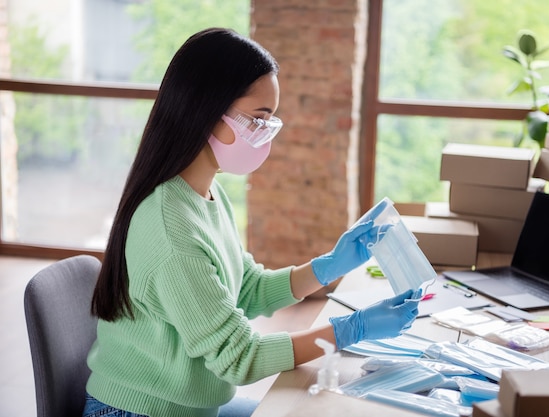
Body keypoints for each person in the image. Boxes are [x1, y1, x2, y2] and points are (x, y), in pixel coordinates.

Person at [84, 27, 420, 417]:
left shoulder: (207, 195)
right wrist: (351, 329)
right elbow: (239, 358)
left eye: (270, 121)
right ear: (208, 111)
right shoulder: (169, 226)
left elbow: (247, 289)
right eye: (258, 119)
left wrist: (330, 265)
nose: (264, 135)